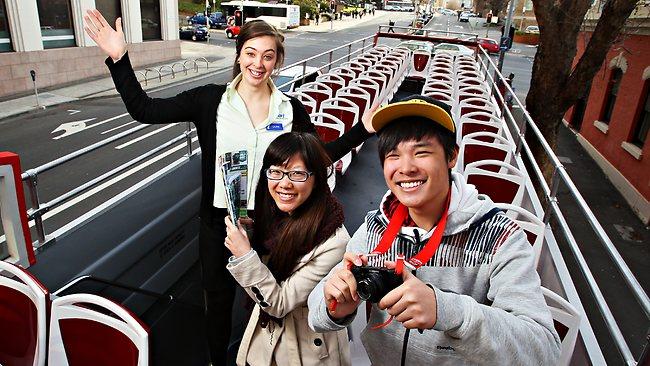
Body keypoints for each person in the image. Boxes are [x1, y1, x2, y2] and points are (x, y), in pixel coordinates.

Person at [83, 10, 374, 365]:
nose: (258, 63)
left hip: (273, 224)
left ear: (277, 61)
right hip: (219, 224)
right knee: (217, 302)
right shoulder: (210, 101)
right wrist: (119, 58)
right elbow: (144, 109)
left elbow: (317, 157)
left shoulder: (290, 109)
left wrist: (364, 130)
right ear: (239, 55)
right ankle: (218, 360)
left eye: (268, 55)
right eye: (251, 53)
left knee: (270, 299)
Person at [308, 95, 561, 365]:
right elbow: (316, 314)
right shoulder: (376, 226)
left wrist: (450, 312)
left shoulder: (499, 237)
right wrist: (335, 307)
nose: (405, 168)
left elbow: (544, 351)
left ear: (452, 156)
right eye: (393, 155)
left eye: (421, 152)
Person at [224, 132, 350, 366]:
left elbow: (279, 303)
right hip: (265, 340)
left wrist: (244, 256)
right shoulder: (274, 217)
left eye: (297, 174)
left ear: (317, 178)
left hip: (306, 351)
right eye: (276, 172)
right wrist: (250, 236)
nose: (284, 183)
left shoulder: (334, 241)